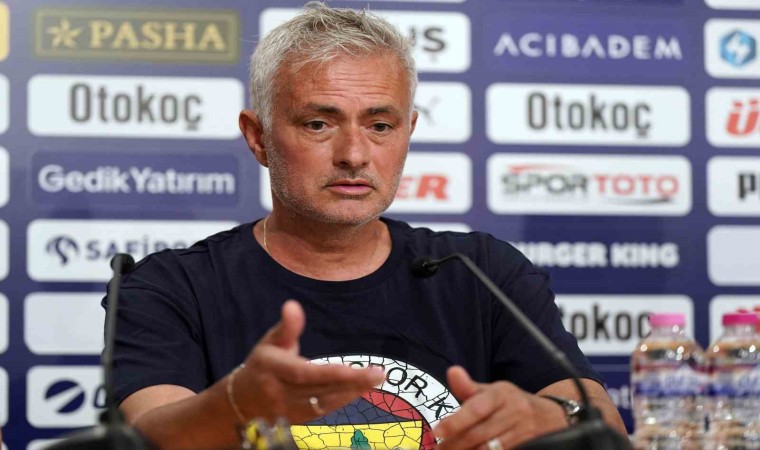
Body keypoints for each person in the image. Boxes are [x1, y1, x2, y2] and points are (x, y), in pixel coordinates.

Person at [108, 2, 626, 449]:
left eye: (380, 125)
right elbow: (148, 437)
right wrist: (234, 406)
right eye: (319, 124)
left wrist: (552, 417)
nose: (354, 155)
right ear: (258, 137)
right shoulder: (170, 287)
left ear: (408, 131)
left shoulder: (482, 272)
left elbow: (605, 426)